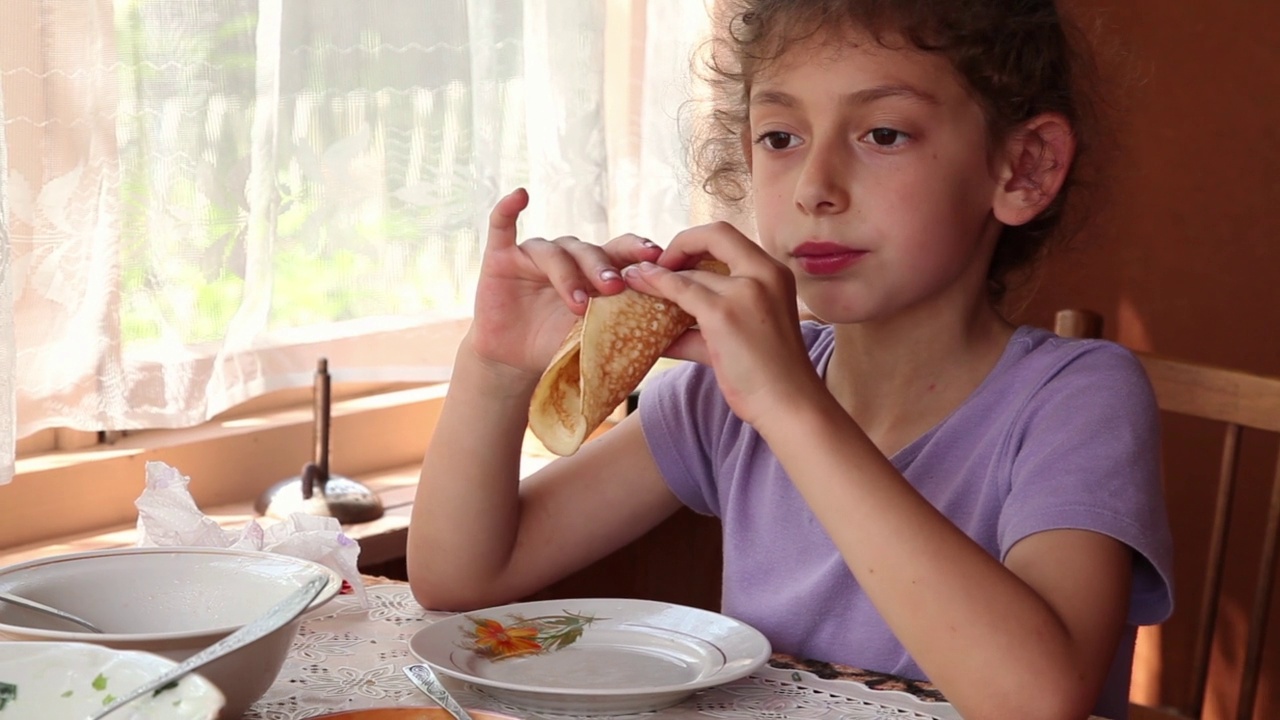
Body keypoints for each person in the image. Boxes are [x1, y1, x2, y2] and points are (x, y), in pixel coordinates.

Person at [406, 2, 1174, 719]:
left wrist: (790, 406)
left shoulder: (1078, 397)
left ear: (1024, 168)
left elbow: (1035, 700)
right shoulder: (726, 398)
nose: (815, 188)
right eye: (781, 138)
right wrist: (496, 366)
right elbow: (463, 576)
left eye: (883, 135)